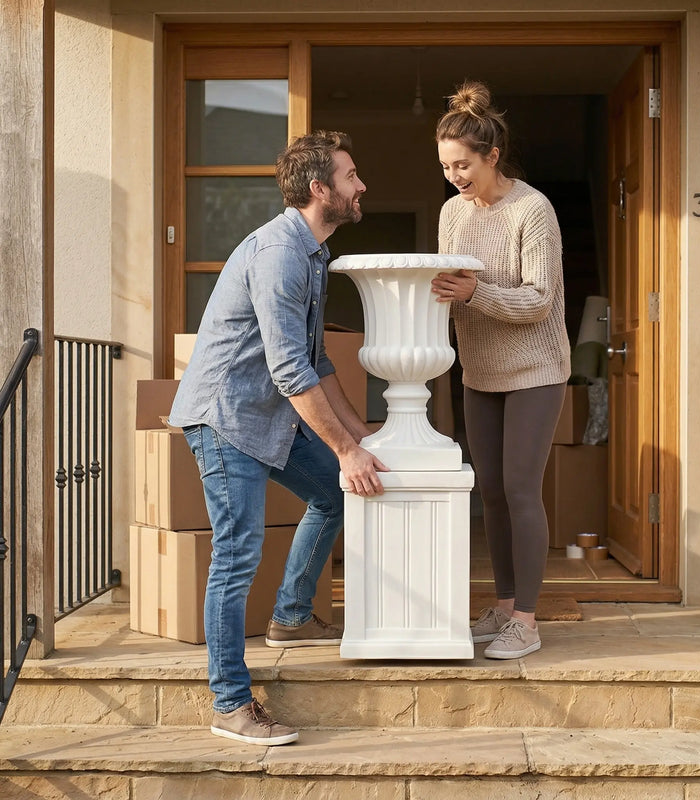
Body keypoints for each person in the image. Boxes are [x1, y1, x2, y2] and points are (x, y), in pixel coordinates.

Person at [169, 130, 387, 746]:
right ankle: (230, 704)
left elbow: (316, 363)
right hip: (226, 418)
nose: (360, 185)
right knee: (236, 556)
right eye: (350, 176)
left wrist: (362, 434)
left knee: (336, 493)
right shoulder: (280, 254)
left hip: (273, 416)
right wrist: (346, 451)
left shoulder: (312, 253)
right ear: (321, 190)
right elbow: (290, 368)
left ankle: (291, 616)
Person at [431, 82, 571, 660]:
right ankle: (507, 604)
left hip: (536, 366)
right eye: (445, 166)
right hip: (479, 370)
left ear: (491, 156)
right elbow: (450, 287)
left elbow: (538, 299)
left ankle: (529, 622)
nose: (455, 176)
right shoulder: (450, 212)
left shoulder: (531, 209)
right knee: (489, 491)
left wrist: (474, 292)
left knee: (519, 488)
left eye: (463, 164)